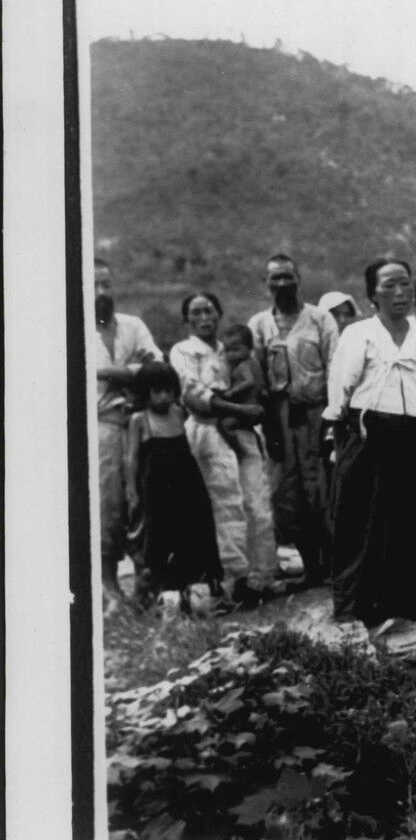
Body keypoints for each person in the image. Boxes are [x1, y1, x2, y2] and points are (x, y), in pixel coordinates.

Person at [324, 257, 416, 658]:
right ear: (372, 295)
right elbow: (342, 395)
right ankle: (374, 619)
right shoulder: (358, 335)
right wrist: (343, 442)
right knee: (371, 528)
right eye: (389, 286)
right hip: (373, 441)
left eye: (405, 285)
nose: (400, 293)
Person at [169, 291, 280, 606]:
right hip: (210, 432)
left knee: (257, 502)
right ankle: (235, 580)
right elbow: (193, 393)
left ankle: (263, 575)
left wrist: (251, 411)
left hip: (242, 432)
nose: (204, 318)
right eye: (196, 313)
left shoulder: (230, 347)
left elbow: (254, 382)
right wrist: (240, 410)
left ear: (218, 315)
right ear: (187, 319)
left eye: (209, 311)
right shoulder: (184, 351)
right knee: (226, 504)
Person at [247, 254, 340, 588]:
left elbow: (335, 369)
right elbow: (256, 377)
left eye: (288, 277)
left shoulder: (320, 319)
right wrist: (270, 425)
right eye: (275, 279)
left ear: (299, 279)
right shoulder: (259, 325)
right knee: (287, 495)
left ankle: (333, 565)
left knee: (322, 490)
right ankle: (310, 566)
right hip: (280, 419)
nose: (282, 284)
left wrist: (332, 421)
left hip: (316, 413)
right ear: (267, 284)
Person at [123, 361, 224, 613]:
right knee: (159, 536)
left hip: (186, 484)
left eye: (168, 390)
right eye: (158, 391)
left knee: (193, 531)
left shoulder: (179, 413)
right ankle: (162, 593)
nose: (164, 397)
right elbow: (132, 457)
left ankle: (195, 588)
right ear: (145, 391)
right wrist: (131, 490)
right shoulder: (140, 419)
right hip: (157, 489)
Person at [91, 259, 163, 604]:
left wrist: (113, 373)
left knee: (143, 500)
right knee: (108, 504)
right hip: (101, 428)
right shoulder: (72, 332)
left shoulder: (132, 327)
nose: (102, 293)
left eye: (107, 284)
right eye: (93, 285)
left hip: (137, 422)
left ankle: (144, 582)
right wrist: (128, 374)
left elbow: (157, 367)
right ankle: (108, 583)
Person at [215, 323, 267, 458]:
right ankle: (258, 445)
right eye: (227, 350)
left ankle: (239, 450)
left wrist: (232, 392)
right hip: (251, 407)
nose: (231, 355)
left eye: (236, 350)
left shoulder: (244, 365)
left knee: (224, 425)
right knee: (245, 428)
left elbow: (249, 381)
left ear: (249, 348)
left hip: (248, 408)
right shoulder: (250, 362)